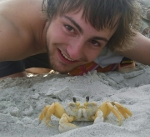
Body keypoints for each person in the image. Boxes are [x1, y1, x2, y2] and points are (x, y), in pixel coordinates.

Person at [0, 0, 150, 79]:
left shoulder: (108, 24)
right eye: (70, 28)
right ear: (50, 10)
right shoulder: (7, 32)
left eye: (95, 42)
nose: (75, 53)